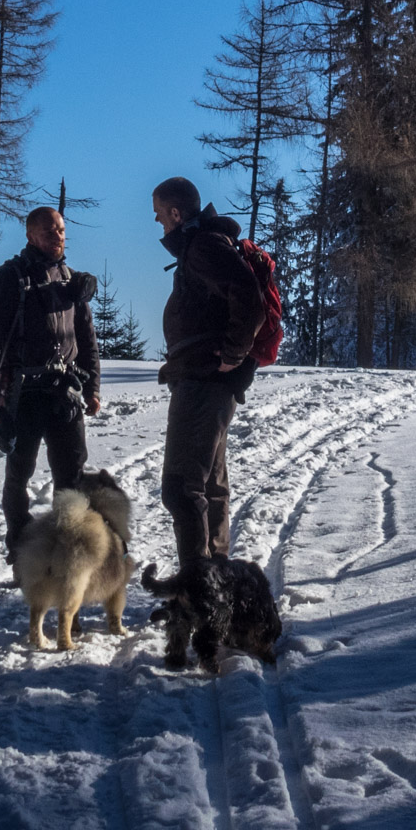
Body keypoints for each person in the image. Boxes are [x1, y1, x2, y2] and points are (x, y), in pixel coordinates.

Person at [152, 176, 266, 570]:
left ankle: (199, 587)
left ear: (176, 213)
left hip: (205, 382)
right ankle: (217, 577)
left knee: (181, 488)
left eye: (159, 215)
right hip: (205, 380)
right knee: (210, 486)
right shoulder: (203, 246)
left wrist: (233, 354)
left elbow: (250, 300)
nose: (158, 223)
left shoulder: (202, 246)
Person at [0, 206, 102, 556]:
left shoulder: (71, 279)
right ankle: (20, 548)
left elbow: (86, 338)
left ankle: (68, 550)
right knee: (19, 474)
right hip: (23, 393)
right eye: (48, 231)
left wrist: (92, 388)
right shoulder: (11, 277)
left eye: (60, 230)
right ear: (31, 235)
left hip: (65, 393)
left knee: (72, 477)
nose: (57, 236)